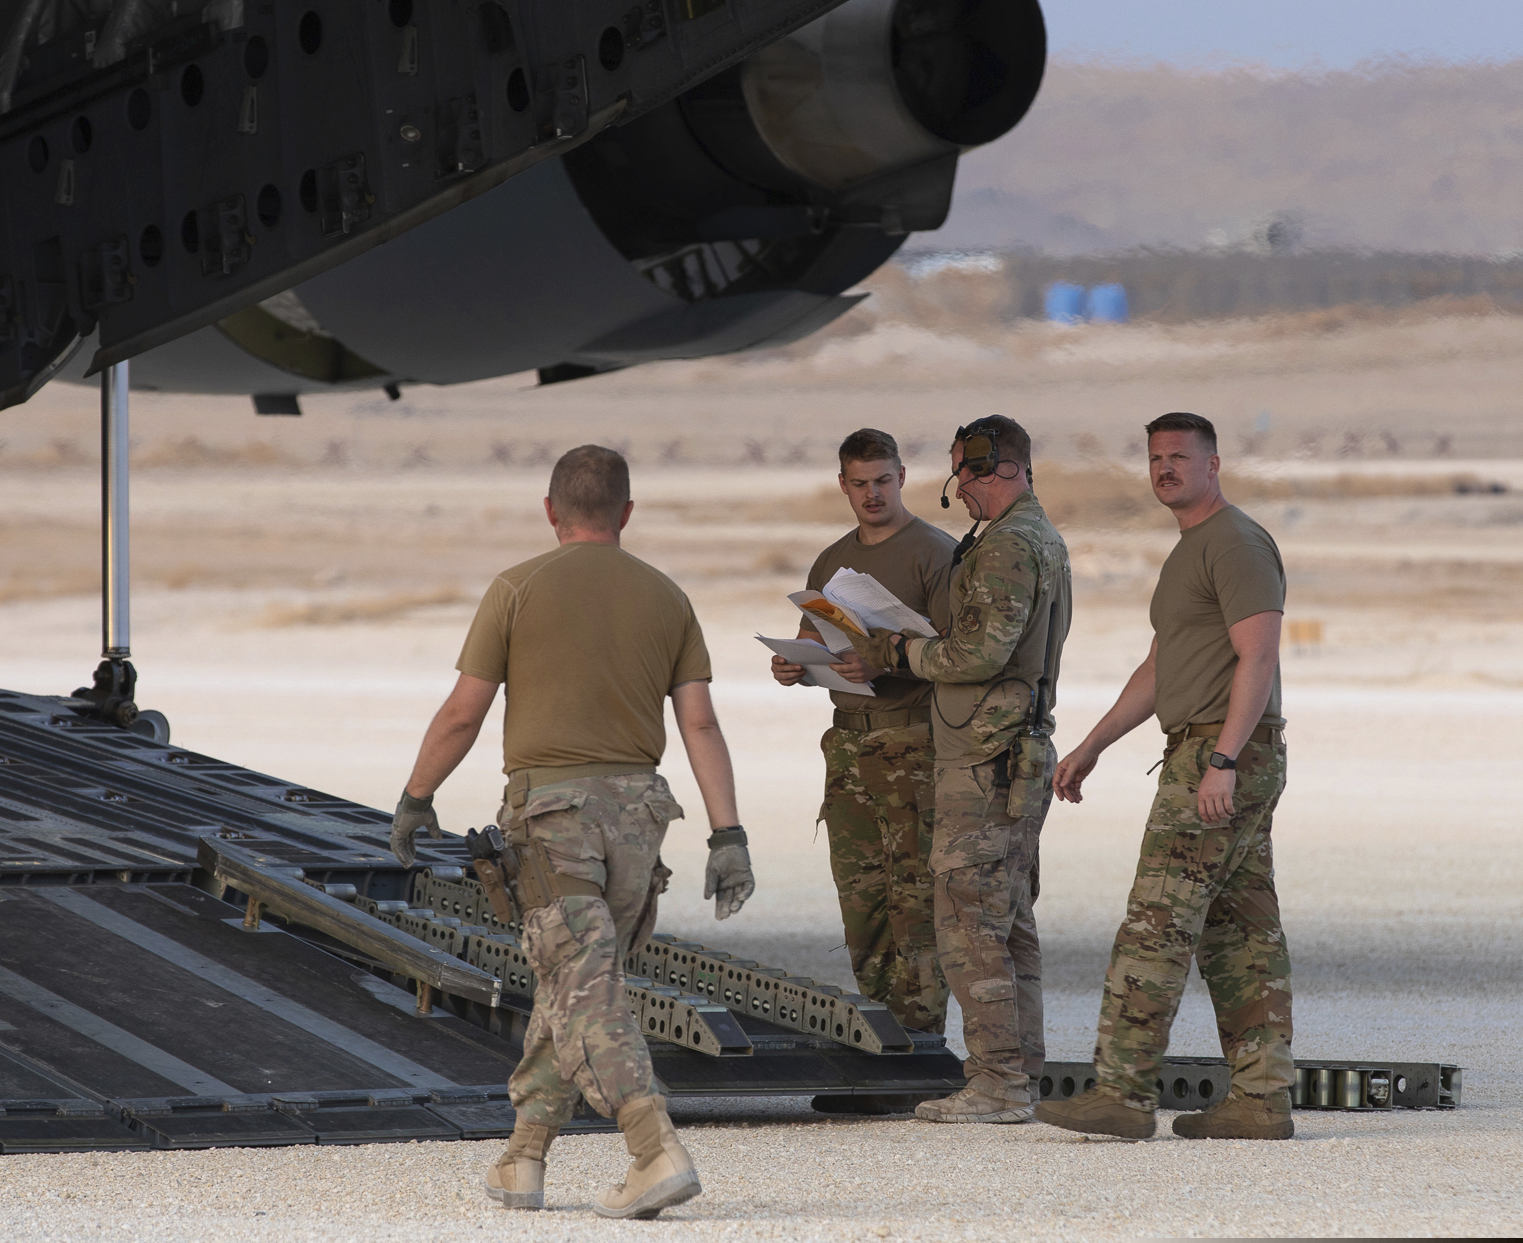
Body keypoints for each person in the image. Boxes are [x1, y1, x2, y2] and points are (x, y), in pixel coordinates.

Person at [387, 444, 755, 1218]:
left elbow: (463, 711)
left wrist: (417, 796)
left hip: (552, 820)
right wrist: (728, 834)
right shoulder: (667, 596)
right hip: (639, 821)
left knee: (585, 988)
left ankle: (653, 1147)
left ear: (550, 512)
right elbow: (700, 721)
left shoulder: (517, 587)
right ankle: (523, 1157)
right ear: (626, 512)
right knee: (577, 985)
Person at [1035, 411, 1295, 1143]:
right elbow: (1162, 666)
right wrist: (1093, 743)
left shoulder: (1236, 543)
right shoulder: (1191, 550)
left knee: (1157, 918)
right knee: (1241, 932)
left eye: (1180, 456)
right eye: (1155, 458)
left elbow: (1260, 656)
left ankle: (1120, 1091)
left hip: (1220, 751)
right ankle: (1261, 1098)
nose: (1165, 469)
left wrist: (1222, 760)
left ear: (1215, 464)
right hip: (1213, 746)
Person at [811, 415, 1069, 1125]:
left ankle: (997, 1082)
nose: (959, 488)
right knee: (1009, 923)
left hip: (984, 754)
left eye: (966, 473)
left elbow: (977, 653)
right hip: (1003, 749)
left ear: (1001, 468)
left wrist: (896, 652)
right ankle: (1021, 1072)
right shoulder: (1027, 538)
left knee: (966, 923)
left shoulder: (1010, 545)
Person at [768, 429, 957, 1112]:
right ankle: (879, 1050)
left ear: (903, 475)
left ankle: (921, 1051)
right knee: (863, 903)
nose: (872, 494)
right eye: (859, 483)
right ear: (843, 485)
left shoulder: (936, 555)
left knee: (916, 902)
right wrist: (795, 665)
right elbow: (823, 643)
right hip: (848, 746)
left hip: (913, 746)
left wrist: (890, 657)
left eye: (883, 480)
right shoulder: (833, 558)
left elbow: (959, 655)